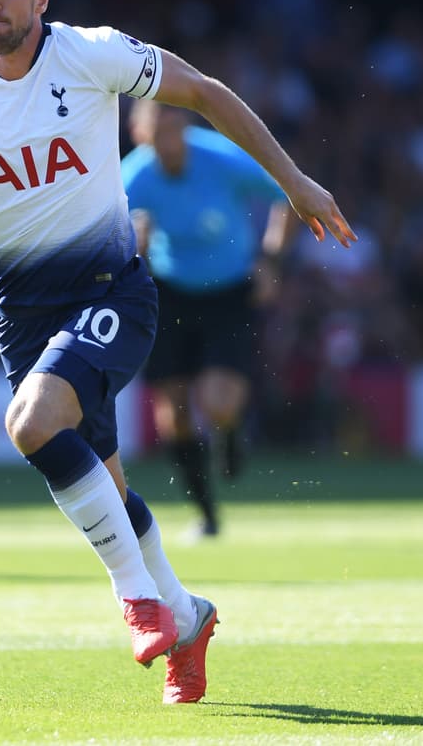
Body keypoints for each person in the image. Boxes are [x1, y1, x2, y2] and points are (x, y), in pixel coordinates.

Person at [0, 0, 356, 704]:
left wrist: (296, 181)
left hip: (113, 288)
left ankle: (136, 599)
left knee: (31, 424)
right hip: (24, 315)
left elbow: (202, 91)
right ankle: (187, 614)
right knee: (104, 482)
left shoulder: (90, 52)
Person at [122, 100, 293, 538]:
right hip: (169, 294)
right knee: (174, 417)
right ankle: (207, 515)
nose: (168, 139)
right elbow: (113, 239)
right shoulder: (134, 175)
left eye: (174, 127)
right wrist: (132, 247)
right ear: (140, 133)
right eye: (157, 130)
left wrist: (271, 259)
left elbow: (287, 193)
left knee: (218, 403)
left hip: (229, 292)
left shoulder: (220, 157)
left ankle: (230, 431)